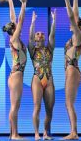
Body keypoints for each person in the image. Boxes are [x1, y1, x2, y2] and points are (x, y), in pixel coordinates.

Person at [61, 0, 81, 140]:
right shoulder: (75, 35)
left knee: (69, 103)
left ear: (76, 26)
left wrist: (66, 0)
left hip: (72, 70)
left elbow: (72, 17)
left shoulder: (78, 36)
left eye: (73, 24)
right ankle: (73, 132)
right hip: (71, 69)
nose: (70, 24)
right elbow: (75, 16)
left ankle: (74, 133)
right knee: (68, 103)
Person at [28, 9, 56, 140]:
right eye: (38, 34)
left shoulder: (49, 48)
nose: (40, 35)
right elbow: (29, 36)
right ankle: (36, 133)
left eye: (42, 34)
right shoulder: (32, 49)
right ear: (35, 38)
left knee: (49, 110)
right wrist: (33, 22)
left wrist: (54, 21)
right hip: (37, 79)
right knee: (37, 107)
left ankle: (45, 133)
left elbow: (52, 36)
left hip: (49, 79)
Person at [3, 0, 27, 139]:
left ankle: (12, 134)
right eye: (16, 26)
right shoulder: (14, 39)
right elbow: (20, 20)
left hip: (14, 75)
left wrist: (10, 1)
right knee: (15, 107)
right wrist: (23, 4)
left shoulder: (13, 39)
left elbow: (13, 19)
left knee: (14, 106)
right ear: (14, 30)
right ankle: (14, 134)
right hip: (17, 75)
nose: (18, 25)